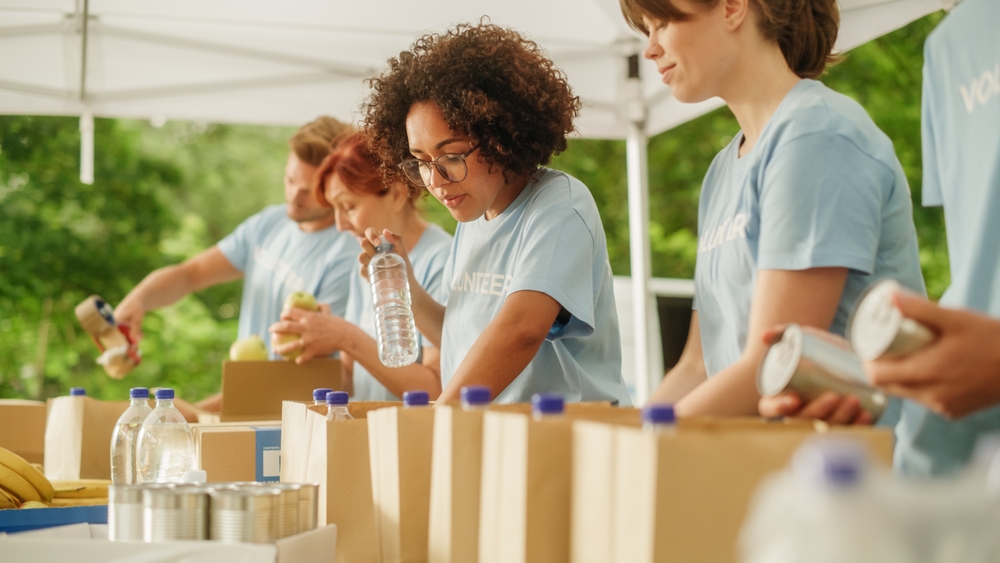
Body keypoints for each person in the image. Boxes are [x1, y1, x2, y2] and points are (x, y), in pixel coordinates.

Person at [621, 0, 925, 419]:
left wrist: (638, 450)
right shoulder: (722, 170)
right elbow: (697, 366)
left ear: (731, 7)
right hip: (775, 462)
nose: (650, 49)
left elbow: (773, 364)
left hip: (866, 469)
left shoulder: (815, 132)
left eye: (661, 23)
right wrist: (624, 436)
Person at [764, 0, 1000, 476]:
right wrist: (884, 371)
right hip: (962, 471)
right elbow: (978, 269)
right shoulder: (947, 48)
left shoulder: (823, 128)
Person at [358, 21, 631, 406]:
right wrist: (410, 293)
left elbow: (521, 330)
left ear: (500, 138)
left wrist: (439, 420)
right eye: (420, 161)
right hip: (498, 442)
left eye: (451, 156)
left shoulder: (559, 207)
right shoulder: (473, 215)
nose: (436, 180)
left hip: (566, 445)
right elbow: (463, 336)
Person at [115, 117, 359, 414]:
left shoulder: (345, 255)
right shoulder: (270, 222)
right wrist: (139, 299)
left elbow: (301, 379)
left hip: (282, 420)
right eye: (290, 180)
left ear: (334, 185)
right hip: (239, 407)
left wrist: (199, 413)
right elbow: (191, 274)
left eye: (309, 190)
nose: (295, 196)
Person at [268, 133, 453, 400]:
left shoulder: (441, 261)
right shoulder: (369, 259)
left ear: (398, 194)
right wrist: (318, 341)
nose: (341, 225)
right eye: (335, 209)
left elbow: (438, 389)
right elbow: (352, 381)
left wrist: (346, 337)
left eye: (348, 206)